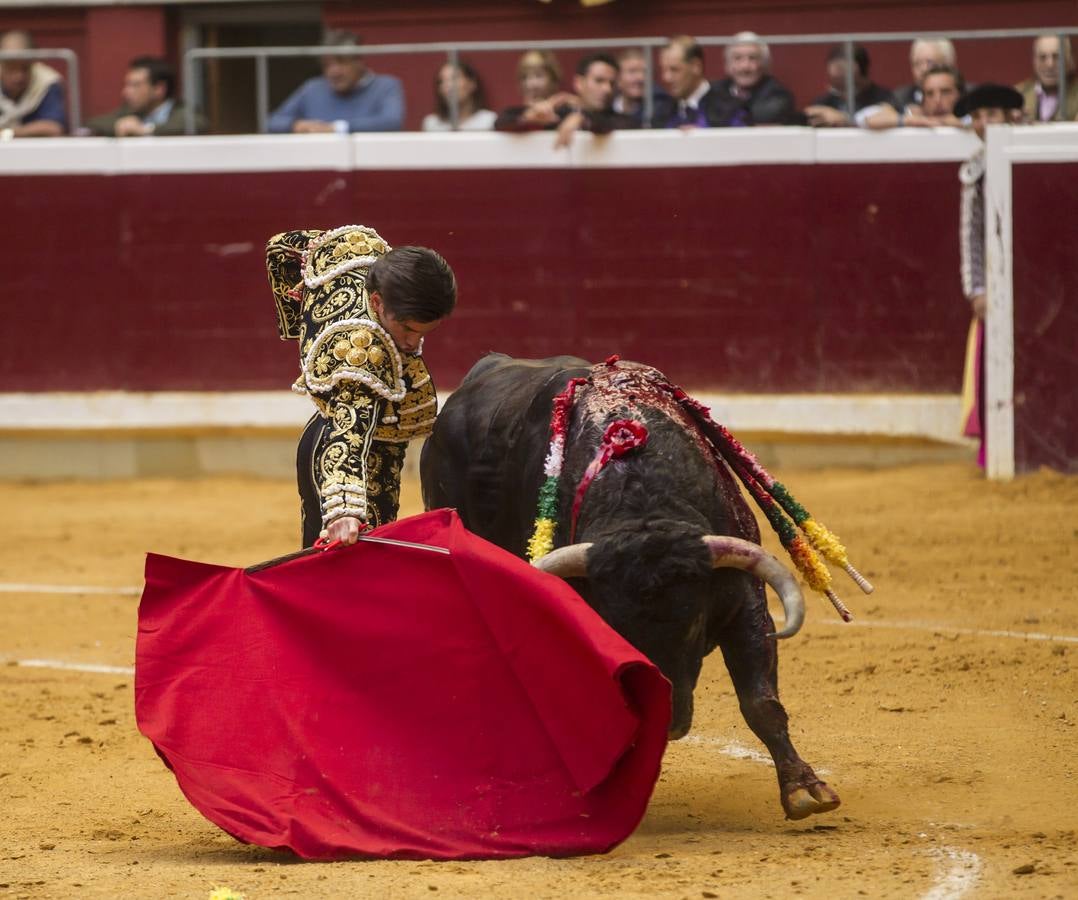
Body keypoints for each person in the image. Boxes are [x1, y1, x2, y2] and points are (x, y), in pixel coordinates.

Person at [266, 226, 456, 547]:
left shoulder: (359, 251)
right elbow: (349, 432)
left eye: (424, 332)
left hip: (320, 435)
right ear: (377, 301)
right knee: (353, 579)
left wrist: (300, 328)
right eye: (407, 328)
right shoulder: (364, 352)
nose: (413, 342)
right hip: (360, 462)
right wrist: (344, 509)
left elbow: (280, 248)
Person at [952, 84, 1024, 468]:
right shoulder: (976, 168)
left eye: (991, 114)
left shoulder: (1027, 152)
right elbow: (971, 234)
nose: (983, 123)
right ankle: (990, 450)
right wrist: (976, 287)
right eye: (977, 116)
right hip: (996, 284)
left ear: (1010, 116)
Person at [268, 30, 404, 134]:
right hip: (318, 164)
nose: (334, 72)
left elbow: (391, 122)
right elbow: (272, 122)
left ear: (359, 62)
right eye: (327, 65)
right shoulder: (312, 88)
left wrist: (336, 128)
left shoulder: (386, 86)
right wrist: (296, 125)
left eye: (342, 62)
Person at [85, 57, 204, 136]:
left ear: (159, 89)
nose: (125, 92)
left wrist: (145, 130)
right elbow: (93, 123)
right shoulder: (129, 111)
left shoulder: (182, 111)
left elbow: (198, 124)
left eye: (135, 85)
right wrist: (119, 125)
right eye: (127, 85)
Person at [709, 31, 797, 126]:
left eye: (752, 58)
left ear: (765, 65)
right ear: (727, 65)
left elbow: (761, 117)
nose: (745, 67)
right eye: (737, 58)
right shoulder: (714, 91)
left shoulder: (779, 94)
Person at [804, 44, 896, 127]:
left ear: (860, 69)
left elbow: (890, 120)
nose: (835, 73)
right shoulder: (823, 102)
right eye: (833, 67)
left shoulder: (883, 97)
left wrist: (845, 119)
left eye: (842, 68)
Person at [0, 29, 65, 138]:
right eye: (11, 67)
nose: (18, 76)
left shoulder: (47, 81)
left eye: (24, 68)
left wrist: (6, 133)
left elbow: (53, 128)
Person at [863, 64, 965, 129]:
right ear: (922, 99)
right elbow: (868, 118)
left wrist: (960, 124)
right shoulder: (914, 116)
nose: (937, 100)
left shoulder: (973, 117)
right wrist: (911, 120)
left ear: (959, 95)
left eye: (945, 92)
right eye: (929, 94)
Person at [494, 49, 568, 130]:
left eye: (538, 76)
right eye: (525, 77)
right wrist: (528, 117)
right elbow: (499, 124)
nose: (531, 84)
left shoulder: (564, 113)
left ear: (553, 80)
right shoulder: (511, 113)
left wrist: (576, 118)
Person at [1015, 34, 1078, 123]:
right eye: (1042, 57)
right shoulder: (1017, 94)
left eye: (1057, 57)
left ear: (1071, 60)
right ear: (1034, 61)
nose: (1049, 65)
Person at [421, 60, 495, 131]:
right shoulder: (431, 124)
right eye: (442, 81)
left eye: (454, 78)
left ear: (472, 83)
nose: (448, 86)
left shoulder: (489, 121)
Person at [892, 39, 958, 113]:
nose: (923, 69)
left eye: (930, 63)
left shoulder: (967, 94)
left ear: (948, 64)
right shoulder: (900, 97)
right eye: (917, 64)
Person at [612, 47, 649, 124]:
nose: (640, 78)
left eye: (645, 72)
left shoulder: (660, 109)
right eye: (632, 71)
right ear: (618, 78)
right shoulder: (606, 107)